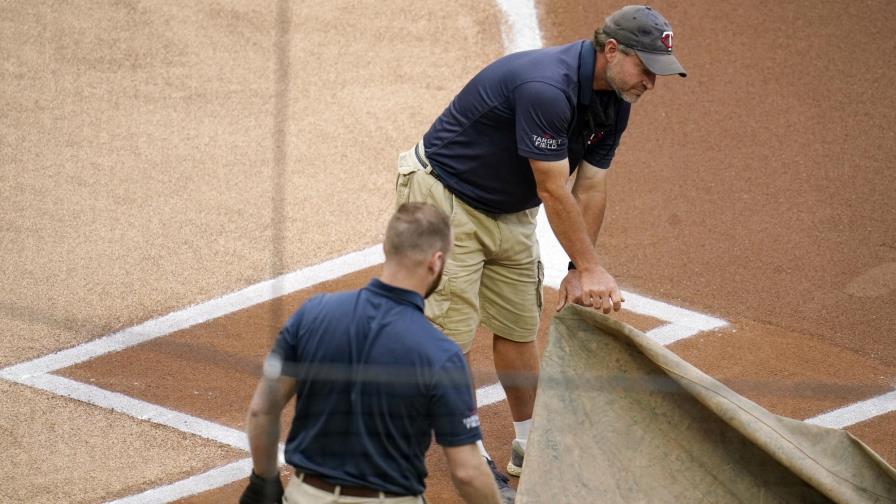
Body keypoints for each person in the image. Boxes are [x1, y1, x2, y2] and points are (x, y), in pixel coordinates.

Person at [394, 5, 686, 478]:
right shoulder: (546, 88)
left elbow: (590, 186)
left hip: (508, 209)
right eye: (647, 68)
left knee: (517, 325)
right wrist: (591, 267)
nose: (652, 82)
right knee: (452, 335)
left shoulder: (615, 101)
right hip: (445, 201)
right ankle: (470, 457)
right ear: (612, 50)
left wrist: (577, 268)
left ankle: (532, 444)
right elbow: (552, 188)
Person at [239, 203, 507, 504]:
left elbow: (262, 411)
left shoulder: (311, 314)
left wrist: (264, 483)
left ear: (386, 248)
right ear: (436, 261)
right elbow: (467, 472)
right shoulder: (441, 354)